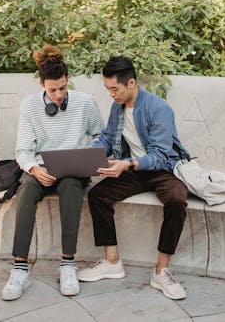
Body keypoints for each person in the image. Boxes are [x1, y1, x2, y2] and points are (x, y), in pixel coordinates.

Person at [77, 56, 190, 300]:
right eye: (108, 89)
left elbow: (160, 155)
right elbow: (107, 138)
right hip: (133, 169)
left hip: (162, 170)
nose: (111, 95)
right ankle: (112, 261)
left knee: (177, 199)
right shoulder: (118, 109)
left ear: (131, 83)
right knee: (98, 196)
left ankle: (161, 271)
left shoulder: (158, 109)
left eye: (114, 89)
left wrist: (126, 164)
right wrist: (90, 156)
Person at [1, 45, 104, 300]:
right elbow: (23, 150)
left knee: (71, 189)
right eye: (52, 90)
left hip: (73, 168)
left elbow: (102, 136)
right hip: (41, 168)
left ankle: (68, 264)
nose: (58, 95)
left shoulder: (84, 103)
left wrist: (85, 154)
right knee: (25, 192)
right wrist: (35, 169)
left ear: (68, 81)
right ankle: (20, 268)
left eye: (62, 88)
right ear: (42, 84)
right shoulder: (29, 107)